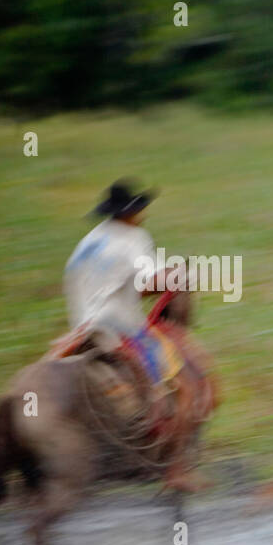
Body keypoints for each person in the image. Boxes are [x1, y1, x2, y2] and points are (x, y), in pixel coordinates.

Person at [64, 178, 198, 491]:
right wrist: (180, 278)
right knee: (182, 384)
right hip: (117, 327)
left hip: (80, 327)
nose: (143, 214)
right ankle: (175, 471)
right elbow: (151, 281)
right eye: (140, 208)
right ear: (130, 213)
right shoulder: (134, 237)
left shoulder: (89, 241)